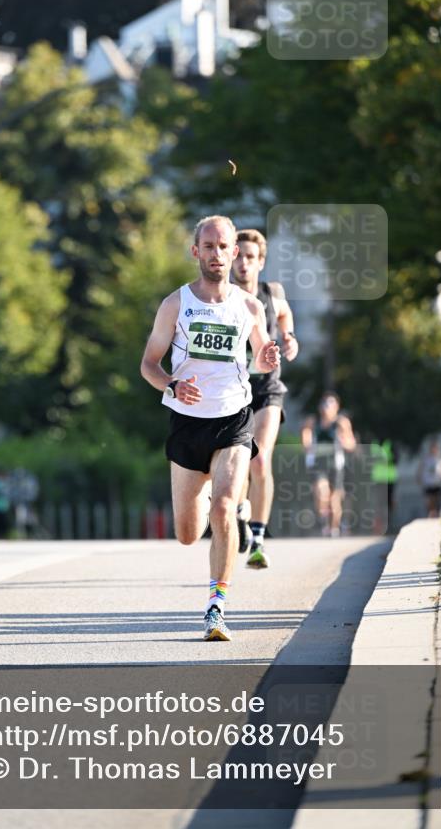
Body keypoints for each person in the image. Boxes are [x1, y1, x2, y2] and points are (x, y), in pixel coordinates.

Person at [140, 215, 280, 641]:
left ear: (234, 252)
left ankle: (216, 607)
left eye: (224, 246)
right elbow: (149, 364)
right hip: (187, 424)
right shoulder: (175, 304)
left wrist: (267, 359)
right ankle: (208, 499)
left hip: (234, 420)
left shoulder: (250, 306)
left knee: (223, 508)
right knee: (187, 534)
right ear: (195, 251)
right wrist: (172, 385)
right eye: (209, 246)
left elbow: (258, 358)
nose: (217, 254)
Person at [232, 229, 299, 568]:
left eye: (250, 257)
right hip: (232, 391)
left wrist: (288, 337)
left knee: (259, 459)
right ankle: (240, 515)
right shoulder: (220, 296)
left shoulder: (272, 293)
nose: (243, 263)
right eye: (238, 255)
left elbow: (285, 315)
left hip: (268, 388)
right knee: (237, 462)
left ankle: (258, 539)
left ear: (261, 261)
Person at [301, 392, 356, 537]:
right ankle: (323, 521)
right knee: (321, 491)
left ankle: (334, 529)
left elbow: (351, 444)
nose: (327, 407)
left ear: (336, 407)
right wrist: (307, 444)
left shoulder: (342, 423)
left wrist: (344, 442)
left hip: (335, 465)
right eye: (325, 404)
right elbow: (305, 436)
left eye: (331, 404)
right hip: (318, 463)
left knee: (334, 500)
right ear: (320, 407)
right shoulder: (313, 421)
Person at [418, 440, 441, 518]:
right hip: (428, 483)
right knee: (429, 500)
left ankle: (436, 513)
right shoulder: (426, 458)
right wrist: (419, 478)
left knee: (437, 500)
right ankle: (431, 513)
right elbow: (420, 469)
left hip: (438, 483)